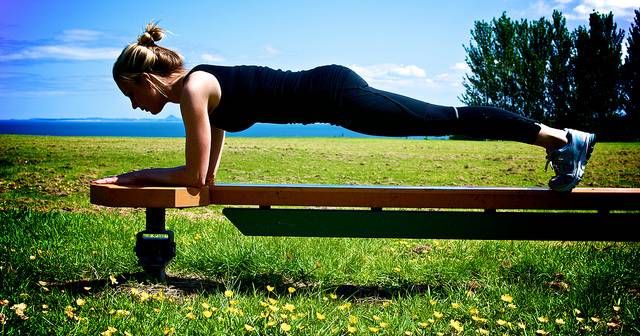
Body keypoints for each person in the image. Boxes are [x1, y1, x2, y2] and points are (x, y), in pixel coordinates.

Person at [95, 23, 596, 192]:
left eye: (130, 94)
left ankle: (559, 138)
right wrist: (185, 178)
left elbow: (192, 175)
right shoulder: (199, 92)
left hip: (339, 97)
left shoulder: (197, 88)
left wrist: (140, 175)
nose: (134, 105)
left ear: (144, 79)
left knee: (446, 118)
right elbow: (206, 176)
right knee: (444, 118)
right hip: (335, 97)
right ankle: (559, 141)